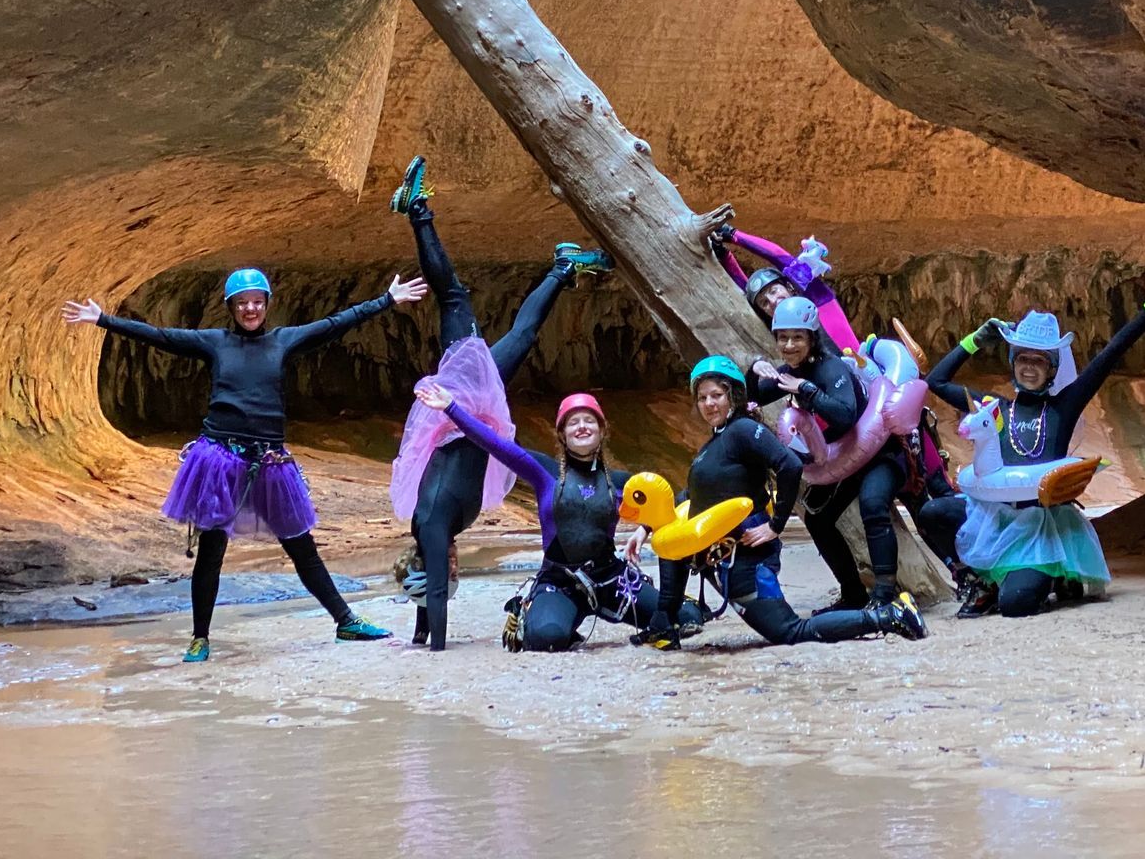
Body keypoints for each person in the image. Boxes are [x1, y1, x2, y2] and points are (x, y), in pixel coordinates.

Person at [61, 265, 425, 661]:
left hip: (269, 460)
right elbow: (162, 337)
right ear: (231, 307)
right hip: (220, 459)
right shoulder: (215, 343)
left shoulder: (283, 341)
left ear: (267, 304)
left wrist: (387, 300)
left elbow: (334, 324)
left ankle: (345, 621)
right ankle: (200, 638)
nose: (250, 309)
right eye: (242, 303)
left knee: (301, 547)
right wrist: (103, 320)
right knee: (211, 551)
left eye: (257, 301)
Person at [387, 155, 611, 651]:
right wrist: (422, 635)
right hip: (470, 409)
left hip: (462, 398)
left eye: (439, 567)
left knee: (454, 300)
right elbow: (431, 594)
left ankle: (417, 208)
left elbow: (437, 595)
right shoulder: (431, 529)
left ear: (426, 561)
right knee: (521, 334)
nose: (451, 566)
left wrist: (436, 649)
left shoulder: (431, 526)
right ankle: (562, 268)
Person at [915, 273, 1145, 618]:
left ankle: (1049, 580)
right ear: (1012, 362)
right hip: (994, 518)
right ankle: (975, 581)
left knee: (1016, 606)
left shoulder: (1061, 408)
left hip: (1040, 527)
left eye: (1038, 361)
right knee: (932, 514)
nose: (1029, 367)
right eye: (1022, 358)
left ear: (1052, 368)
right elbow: (935, 381)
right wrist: (975, 341)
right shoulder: (995, 408)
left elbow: (1112, 353)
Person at [637, 356, 927, 649]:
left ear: (734, 396)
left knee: (790, 631)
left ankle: (889, 615)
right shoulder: (712, 446)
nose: (709, 403)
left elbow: (789, 465)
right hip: (723, 554)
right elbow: (693, 498)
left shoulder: (743, 430)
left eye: (717, 395)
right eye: (702, 398)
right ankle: (663, 625)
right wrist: (647, 528)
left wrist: (776, 526)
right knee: (671, 550)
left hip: (747, 554)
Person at [409, 384, 699, 649]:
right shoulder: (544, 471)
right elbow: (494, 444)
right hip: (560, 581)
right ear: (562, 434)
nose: (582, 427)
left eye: (589, 421)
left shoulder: (621, 482)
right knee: (546, 639)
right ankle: (535, 612)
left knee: (687, 616)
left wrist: (644, 529)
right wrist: (451, 407)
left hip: (612, 578)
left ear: (601, 430)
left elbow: (667, 503)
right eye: (573, 422)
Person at [750, 296, 946, 607]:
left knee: (872, 504)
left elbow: (844, 413)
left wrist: (805, 390)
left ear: (812, 338)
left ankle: (884, 594)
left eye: (797, 337)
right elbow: (752, 395)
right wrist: (754, 369)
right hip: (848, 458)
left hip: (884, 452)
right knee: (818, 520)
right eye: (782, 338)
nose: (789, 345)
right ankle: (852, 593)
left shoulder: (829, 368)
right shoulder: (792, 370)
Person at [712, 223, 858, 354]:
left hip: (867, 376)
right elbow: (748, 294)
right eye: (765, 303)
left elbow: (778, 256)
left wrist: (733, 234)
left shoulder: (817, 297)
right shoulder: (783, 334)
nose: (773, 301)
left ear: (789, 287)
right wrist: (724, 256)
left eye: (774, 291)